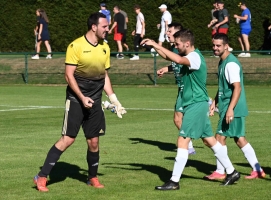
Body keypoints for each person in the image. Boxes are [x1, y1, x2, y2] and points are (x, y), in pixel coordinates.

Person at [33, 12, 126, 192]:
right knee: (68, 139)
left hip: (96, 100)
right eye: (105, 26)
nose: (108, 29)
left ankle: (92, 177)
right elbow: (69, 76)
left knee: (94, 142)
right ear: (94, 27)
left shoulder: (105, 48)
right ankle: (42, 177)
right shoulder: (75, 46)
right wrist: (82, 98)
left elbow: (103, 75)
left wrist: (114, 99)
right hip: (76, 99)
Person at [141, 30, 240, 190]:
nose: (175, 46)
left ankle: (174, 181)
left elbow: (178, 59)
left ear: (187, 44)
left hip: (196, 104)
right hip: (196, 104)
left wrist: (154, 44)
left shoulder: (194, 57)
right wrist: (155, 46)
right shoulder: (190, 55)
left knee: (183, 140)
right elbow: (171, 58)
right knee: (210, 140)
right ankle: (232, 171)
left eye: (177, 44)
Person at [205, 33, 265, 181]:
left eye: (218, 45)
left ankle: (220, 171)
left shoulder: (230, 63)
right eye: (214, 45)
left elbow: (237, 88)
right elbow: (225, 86)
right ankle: (257, 170)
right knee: (239, 139)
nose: (215, 48)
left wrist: (230, 109)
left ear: (226, 46)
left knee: (219, 138)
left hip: (232, 108)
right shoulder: (223, 61)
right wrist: (215, 102)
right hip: (228, 106)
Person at [156, 22, 195, 155]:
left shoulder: (182, 50)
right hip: (183, 88)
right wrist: (167, 68)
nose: (167, 33)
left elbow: (180, 61)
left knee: (178, 119)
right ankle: (209, 103)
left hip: (187, 89)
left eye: (170, 31)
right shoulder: (175, 49)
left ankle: (188, 145)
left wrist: (155, 45)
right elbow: (176, 63)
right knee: (180, 119)